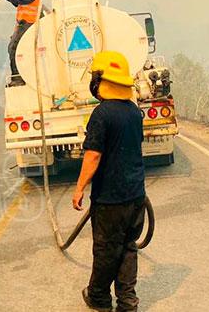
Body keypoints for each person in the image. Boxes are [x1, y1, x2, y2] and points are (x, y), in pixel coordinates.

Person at [71, 51, 146, 312]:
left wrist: (79, 188)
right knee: (127, 248)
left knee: (106, 250)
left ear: (101, 80)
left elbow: (93, 156)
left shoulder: (101, 114)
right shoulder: (134, 112)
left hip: (110, 199)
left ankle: (99, 297)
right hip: (135, 196)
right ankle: (127, 302)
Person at [0, 0, 42, 86]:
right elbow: (18, 3)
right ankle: (19, 77)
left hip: (27, 24)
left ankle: (18, 78)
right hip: (24, 24)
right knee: (13, 48)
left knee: (13, 48)